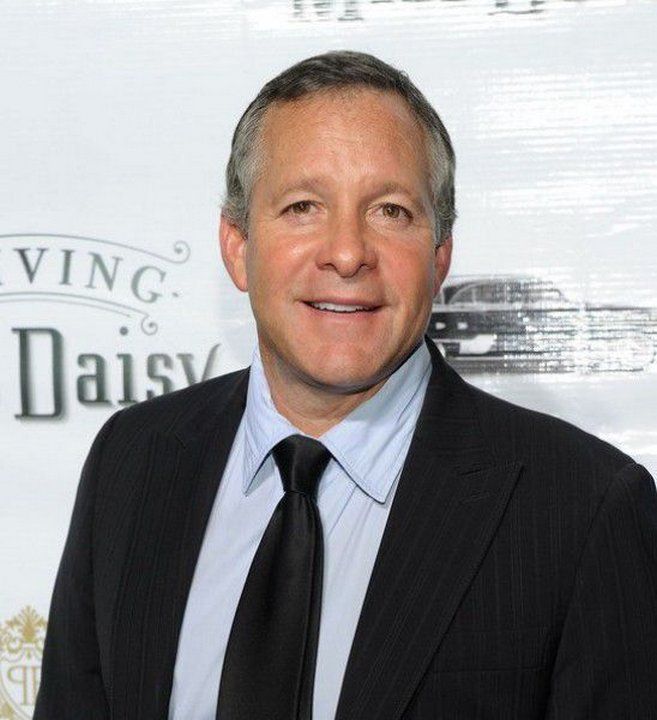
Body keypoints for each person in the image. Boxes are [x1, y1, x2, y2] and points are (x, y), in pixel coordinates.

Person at [35, 50, 657, 720]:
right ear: (238, 246)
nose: (347, 252)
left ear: (439, 255)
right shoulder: (132, 459)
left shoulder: (583, 508)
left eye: (390, 211)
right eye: (303, 206)